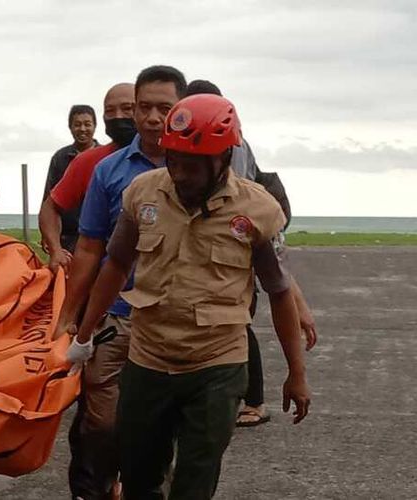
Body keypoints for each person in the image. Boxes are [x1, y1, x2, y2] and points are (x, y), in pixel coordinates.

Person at [67, 93, 312, 499]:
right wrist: (84, 335)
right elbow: (114, 265)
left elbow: (280, 291)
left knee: (194, 482)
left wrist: (296, 374)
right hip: (148, 361)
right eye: (173, 159)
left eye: (193, 165)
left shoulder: (258, 210)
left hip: (216, 366)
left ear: (224, 159)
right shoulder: (142, 193)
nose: (179, 173)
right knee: (140, 477)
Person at [54, 65, 187, 500]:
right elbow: (91, 248)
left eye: (159, 108)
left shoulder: (198, 168)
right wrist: (69, 317)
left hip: (171, 323)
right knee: (102, 423)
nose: (149, 117)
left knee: (158, 427)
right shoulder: (106, 169)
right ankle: (99, 486)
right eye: (141, 108)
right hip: (115, 317)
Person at [184, 79, 318, 427]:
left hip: (232, 270)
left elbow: (271, 263)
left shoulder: (238, 167)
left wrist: (297, 306)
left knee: (237, 325)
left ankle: (253, 402)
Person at [39, 83, 136, 274]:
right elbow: (50, 205)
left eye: (127, 109)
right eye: (110, 110)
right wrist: (55, 249)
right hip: (89, 259)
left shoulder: (175, 161)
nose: (118, 117)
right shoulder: (84, 161)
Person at [41, 104, 99, 252]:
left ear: (95, 126)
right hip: (67, 237)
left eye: (87, 124)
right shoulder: (60, 158)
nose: (83, 129)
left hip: (98, 236)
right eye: (77, 124)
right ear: (70, 127)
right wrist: (47, 234)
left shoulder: (106, 157)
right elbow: (49, 197)